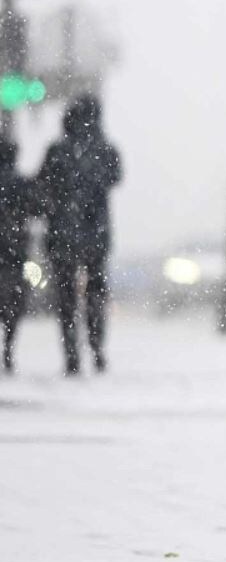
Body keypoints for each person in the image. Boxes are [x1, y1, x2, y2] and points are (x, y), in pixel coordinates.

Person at [37, 94, 123, 376]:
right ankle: (97, 348)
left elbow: (43, 185)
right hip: (95, 234)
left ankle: (72, 354)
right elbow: (115, 178)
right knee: (96, 292)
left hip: (63, 235)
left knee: (66, 298)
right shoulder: (106, 150)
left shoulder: (57, 151)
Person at [0, 137, 38, 373]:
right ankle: (9, 346)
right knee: (14, 304)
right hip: (15, 253)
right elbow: (37, 207)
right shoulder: (21, 184)